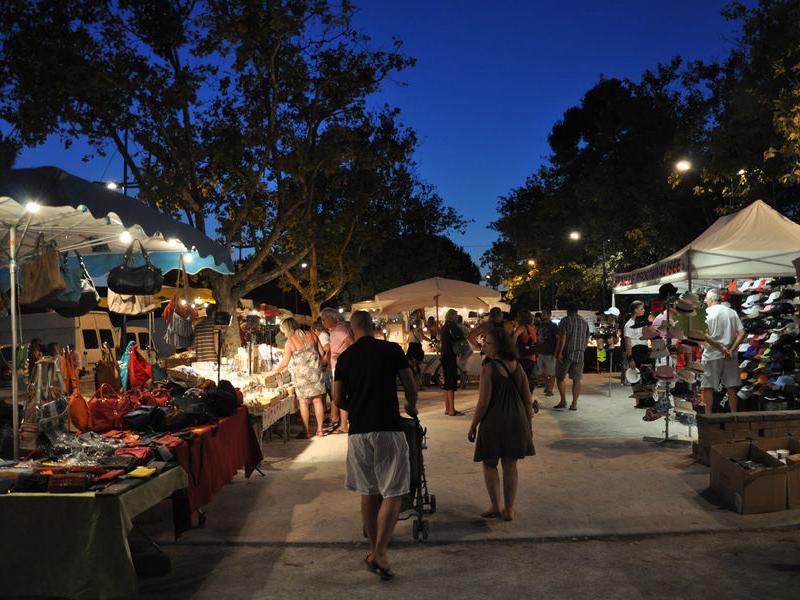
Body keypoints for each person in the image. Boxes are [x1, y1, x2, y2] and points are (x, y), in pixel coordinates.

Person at [333, 310, 417, 581]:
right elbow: (410, 385)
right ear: (372, 327)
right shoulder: (391, 349)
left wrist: (355, 406)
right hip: (388, 427)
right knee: (393, 492)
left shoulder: (345, 358)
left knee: (368, 492)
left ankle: (373, 550)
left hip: (359, 432)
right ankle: (380, 551)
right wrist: (411, 405)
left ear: (352, 330)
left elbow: (337, 398)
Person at [468, 328, 534, 522]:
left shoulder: (488, 368)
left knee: (489, 463)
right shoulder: (518, 366)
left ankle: (496, 505)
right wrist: (529, 425)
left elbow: (483, 403)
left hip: (494, 422)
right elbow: (528, 400)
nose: (485, 346)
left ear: (499, 346)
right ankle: (509, 509)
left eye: (488, 343)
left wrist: (473, 425)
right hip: (517, 421)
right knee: (510, 464)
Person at [267, 317, 327, 438]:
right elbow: (321, 352)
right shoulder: (311, 334)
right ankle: (320, 430)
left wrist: (273, 372)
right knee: (317, 400)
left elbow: (284, 363)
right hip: (315, 372)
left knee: (303, 402)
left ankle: (307, 432)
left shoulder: (290, 342)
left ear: (287, 328)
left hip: (301, 376)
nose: (283, 333)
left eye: (283, 330)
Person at [701, 289, 745, 414]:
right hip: (730, 355)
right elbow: (741, 333)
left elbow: (703, 334)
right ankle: (734, 415)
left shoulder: (706, 312)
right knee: (731, 387)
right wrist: (730, 349)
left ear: (710, 300)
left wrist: (721, 348)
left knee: (708, 386)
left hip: (711, 354)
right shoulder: (731, 312)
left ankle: (708, 415)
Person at [321, 307, 354, 433]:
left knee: (340, 395)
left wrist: (341, 355)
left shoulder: (339, 330)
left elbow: (352, 344)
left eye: (324, 319)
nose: (323, 322)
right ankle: (341, 422)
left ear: (331, 318)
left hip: (341, 367)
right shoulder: (334, 330)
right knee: (339, 395)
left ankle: (343, 425)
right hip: (337, 366)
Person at [554, 302, 590, 411]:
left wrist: (559, 352)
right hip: (579, 353)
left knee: (560, 377)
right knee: (577, 379)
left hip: (567, 353)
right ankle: (574, 404)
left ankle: (563, 400)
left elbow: (562, 338)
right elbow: (587, 339)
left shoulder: (565, 321)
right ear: (577, 310)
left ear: (567, 310)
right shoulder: (584, 322)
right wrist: (582, 349)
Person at [439, 309, 465, 416]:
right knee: (451, 382)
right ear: (452, 316)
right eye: (456, 315)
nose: (457, 317)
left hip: (444, 355)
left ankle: (447, 408)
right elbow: (461, 337)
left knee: (446, 382)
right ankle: (452, 410)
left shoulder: (444, 327)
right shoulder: (453, 326)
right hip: (450, 355)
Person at [512, 310, 539, 412]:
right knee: (528, 383)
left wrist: (512, 348)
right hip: (532, 359)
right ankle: (530, 404)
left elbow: (514, 336)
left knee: (521, 383)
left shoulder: (522, 327)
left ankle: (528, 406)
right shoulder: (532, 328)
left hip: (523, 359)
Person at [535, 310, 558, 396]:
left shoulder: (553, 326)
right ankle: (548, 385)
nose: (542, 315)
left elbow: (558, 338)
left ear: (549, 315)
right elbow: (537, 337)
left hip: (550, 352)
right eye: (542, 314)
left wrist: (557, 350)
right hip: (540, 352)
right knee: (539, 372)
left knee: (551, 373)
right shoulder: (540, 325)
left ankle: (550, 390)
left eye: (544, 314)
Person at [312, 320, 333, 415]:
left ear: (316, 330)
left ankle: (333, 412)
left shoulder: (322, 336)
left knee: (329, 389)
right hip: (327, 365)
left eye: (314, 331)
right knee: (327, 389)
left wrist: (323, 358)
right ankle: (329, 410)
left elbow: (328, 347)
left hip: (326, 365)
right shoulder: (324, 334)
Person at [623, 300, 649, 369]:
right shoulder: (629, 325)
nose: (644, 310)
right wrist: (631, 359)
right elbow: (628, 343)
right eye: (641, 309)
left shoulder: (643, 323)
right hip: (636, 353)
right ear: (635, 310)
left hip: (644, 351)